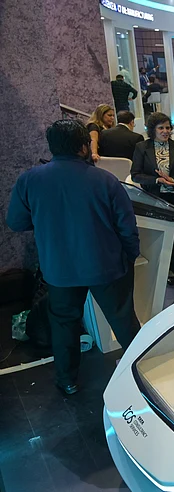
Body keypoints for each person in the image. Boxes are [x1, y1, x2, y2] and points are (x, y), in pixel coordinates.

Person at [6, 119, 140, 395]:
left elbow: (16, 222)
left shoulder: (30, 179)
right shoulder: (106, 180)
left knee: (64, 324)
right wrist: (130, 255)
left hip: (59, 269)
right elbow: (127, 227)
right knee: (124, 321)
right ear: (83, 146)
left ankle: (67, 380)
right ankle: (141, 373)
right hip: (107, 266)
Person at [130, 112, 174, 290]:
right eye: (161, 128)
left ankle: (173, 269)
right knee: (163, 237)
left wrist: (173, 179)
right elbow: (136, 175)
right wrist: (157, 180)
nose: (165, 131)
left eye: (168, 128)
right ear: (152, 129)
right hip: (154, 199)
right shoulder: (142, 147)